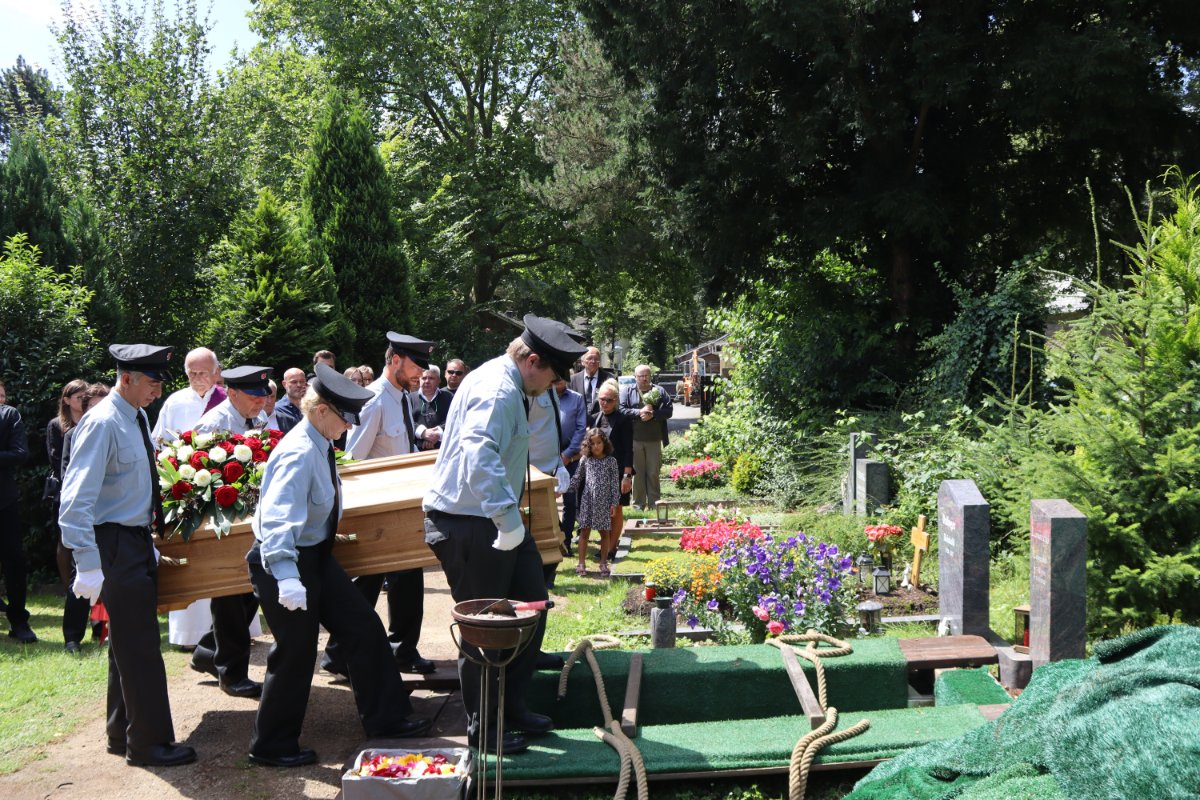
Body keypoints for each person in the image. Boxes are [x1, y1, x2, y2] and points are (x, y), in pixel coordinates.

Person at [247, 364, 432, 766]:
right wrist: (286, 577)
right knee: (295, 652)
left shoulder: (319, 442)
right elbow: (277, 520)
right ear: (320, 410)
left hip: (314, 556)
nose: (349, 426)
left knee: (362, 626)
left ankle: (387, 719)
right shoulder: (298, 452)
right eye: (345, 417)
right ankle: (271, 745)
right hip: (285, 563)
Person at [424, 314, 586, 755]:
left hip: (492, 518)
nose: (553, 386)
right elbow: (479, 455)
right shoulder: (497, 390)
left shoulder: (508, 383)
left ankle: (512, 706)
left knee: (532, 605)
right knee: (486, 631)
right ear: (532, 361)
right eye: (552, 376)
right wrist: (508, 522)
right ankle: (485, 729)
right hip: (472, 522)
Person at [59, 344, 196, 767]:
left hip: (132, 539)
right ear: (127, 379)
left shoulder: (135, 415)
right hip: (113, 543)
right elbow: (74, 500)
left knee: (126, 645)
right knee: (140, 646)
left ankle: (122, 732)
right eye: (152, 382)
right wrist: (86, 562)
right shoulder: (103, 422)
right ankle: (149, 744)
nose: (158, 391)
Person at [323, 332, 436, 678]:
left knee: (407, 580)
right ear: (395, 360)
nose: (421, 374)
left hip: (401, 505)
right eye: (416, 366)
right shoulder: (373, 401)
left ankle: (401, 649)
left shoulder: (402, 397)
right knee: (366, 584)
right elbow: (353, 461)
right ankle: (338, 653)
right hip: (376, 512)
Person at [186, 366, 273, 699]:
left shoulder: (255, 418)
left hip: (250, 518)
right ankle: (231, 673)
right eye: (254, 396)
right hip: (223, 525)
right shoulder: (214, 424)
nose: (261, 402)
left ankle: (208, 653)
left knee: (247, 593)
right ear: (232, 393)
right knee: (232, 596)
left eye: (263, 396)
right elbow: (195, 476)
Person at [47, 379, 89, 650]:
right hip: (71, 497)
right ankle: (73, 634)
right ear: (67, 400)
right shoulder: (59, 427)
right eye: (78, 397)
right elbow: (58, 464)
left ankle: (101, 624)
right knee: (70, 552)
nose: (83, 402)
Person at [0, 380, 34, 643]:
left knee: (13, 561)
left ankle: (19, 622)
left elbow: (21, 453)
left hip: (4, 500)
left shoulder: (9, 415)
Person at [619, 364, 673, 510]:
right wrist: (639, 412)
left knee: (653, 472)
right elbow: (621, 410)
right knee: (637, 473)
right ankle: (638, 504)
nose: (644, 378)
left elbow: (669, 411)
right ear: (635, 377)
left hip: (654, 439)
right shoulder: (627, 391)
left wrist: (653, 414)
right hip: (634, 439)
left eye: (646, 375)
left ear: (650, 376)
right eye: (640, 376)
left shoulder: (659, 391)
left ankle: (654, 504)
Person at [568, 428, 621, 577]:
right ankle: (581, 563)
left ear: (604, 443)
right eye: (592, 443)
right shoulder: (585, 460)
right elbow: (577, 478)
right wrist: (564, 489)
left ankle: (603, 563)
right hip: (588, 501)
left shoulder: (611, 462)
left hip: (604, 503)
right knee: (584, 531)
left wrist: (614, 503)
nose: (596, 446)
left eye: (599, 442)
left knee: (604, 533)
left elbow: (614, 484)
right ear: (588, 445)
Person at [592, 380, 634, 561]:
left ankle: (611, 548)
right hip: (598, 471)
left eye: (609, 400)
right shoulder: (594, 418)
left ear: (616, 400)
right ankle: (606, 544)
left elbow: (628, 450)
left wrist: (627, 476)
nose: (605, 403)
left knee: (615, 510)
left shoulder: (623, 419)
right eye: (602, 399)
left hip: (617, 472)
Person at [150, 347, 225, 445]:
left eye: (203, 373)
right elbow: (159, 441)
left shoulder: (227, 401)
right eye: (192, 373)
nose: (197, 379)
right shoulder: (174, 402)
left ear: (216, 372)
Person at [555, 378, 587, 556]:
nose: (559, 379)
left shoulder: (576, 398)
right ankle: (554, 538)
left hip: (571, 458)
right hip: (546, 457)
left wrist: (567, 454)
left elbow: (581, 429)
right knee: (545, 501)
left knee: (569, 501)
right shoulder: (542, 396)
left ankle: (566, 542)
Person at [410, 365, 452, 451]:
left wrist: (438, 433)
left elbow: (454, 419)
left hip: (444, 449)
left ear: (439, 380)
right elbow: (405, 421)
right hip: (416, 450)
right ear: (419, 379)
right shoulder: (409, 398)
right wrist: (423, 433)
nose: (427, 381)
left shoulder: (449, 397)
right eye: (424, 378)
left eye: (431, 378)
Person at [569, 346, 615, 417]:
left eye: (596, 359)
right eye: (590, 358)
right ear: (582, 362)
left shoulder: (609, 379)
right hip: (578, 420)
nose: (593, 361)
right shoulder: (573, 380)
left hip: (602, 420)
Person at [274, 368, 306, 433]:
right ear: (284, 384)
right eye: (294, 382)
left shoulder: (312, 407)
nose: (299, 385)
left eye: (302, 381)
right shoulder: (277, 410)